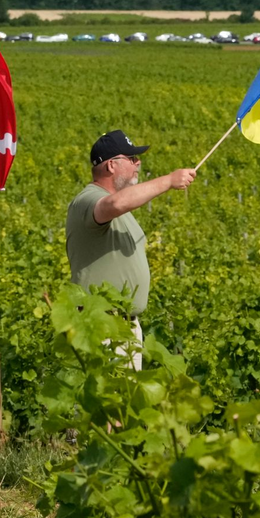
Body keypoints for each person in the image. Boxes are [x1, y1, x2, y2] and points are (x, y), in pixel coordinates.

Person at [65, 130, 196, 369]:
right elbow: (114, 204)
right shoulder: (89, 199)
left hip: (124, 327)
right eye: (132, 158)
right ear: (112, 166)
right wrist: (168, 181)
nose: (139, 163)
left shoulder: (120, 210)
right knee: (105, 402)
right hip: (101, 325)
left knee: (124, 403)